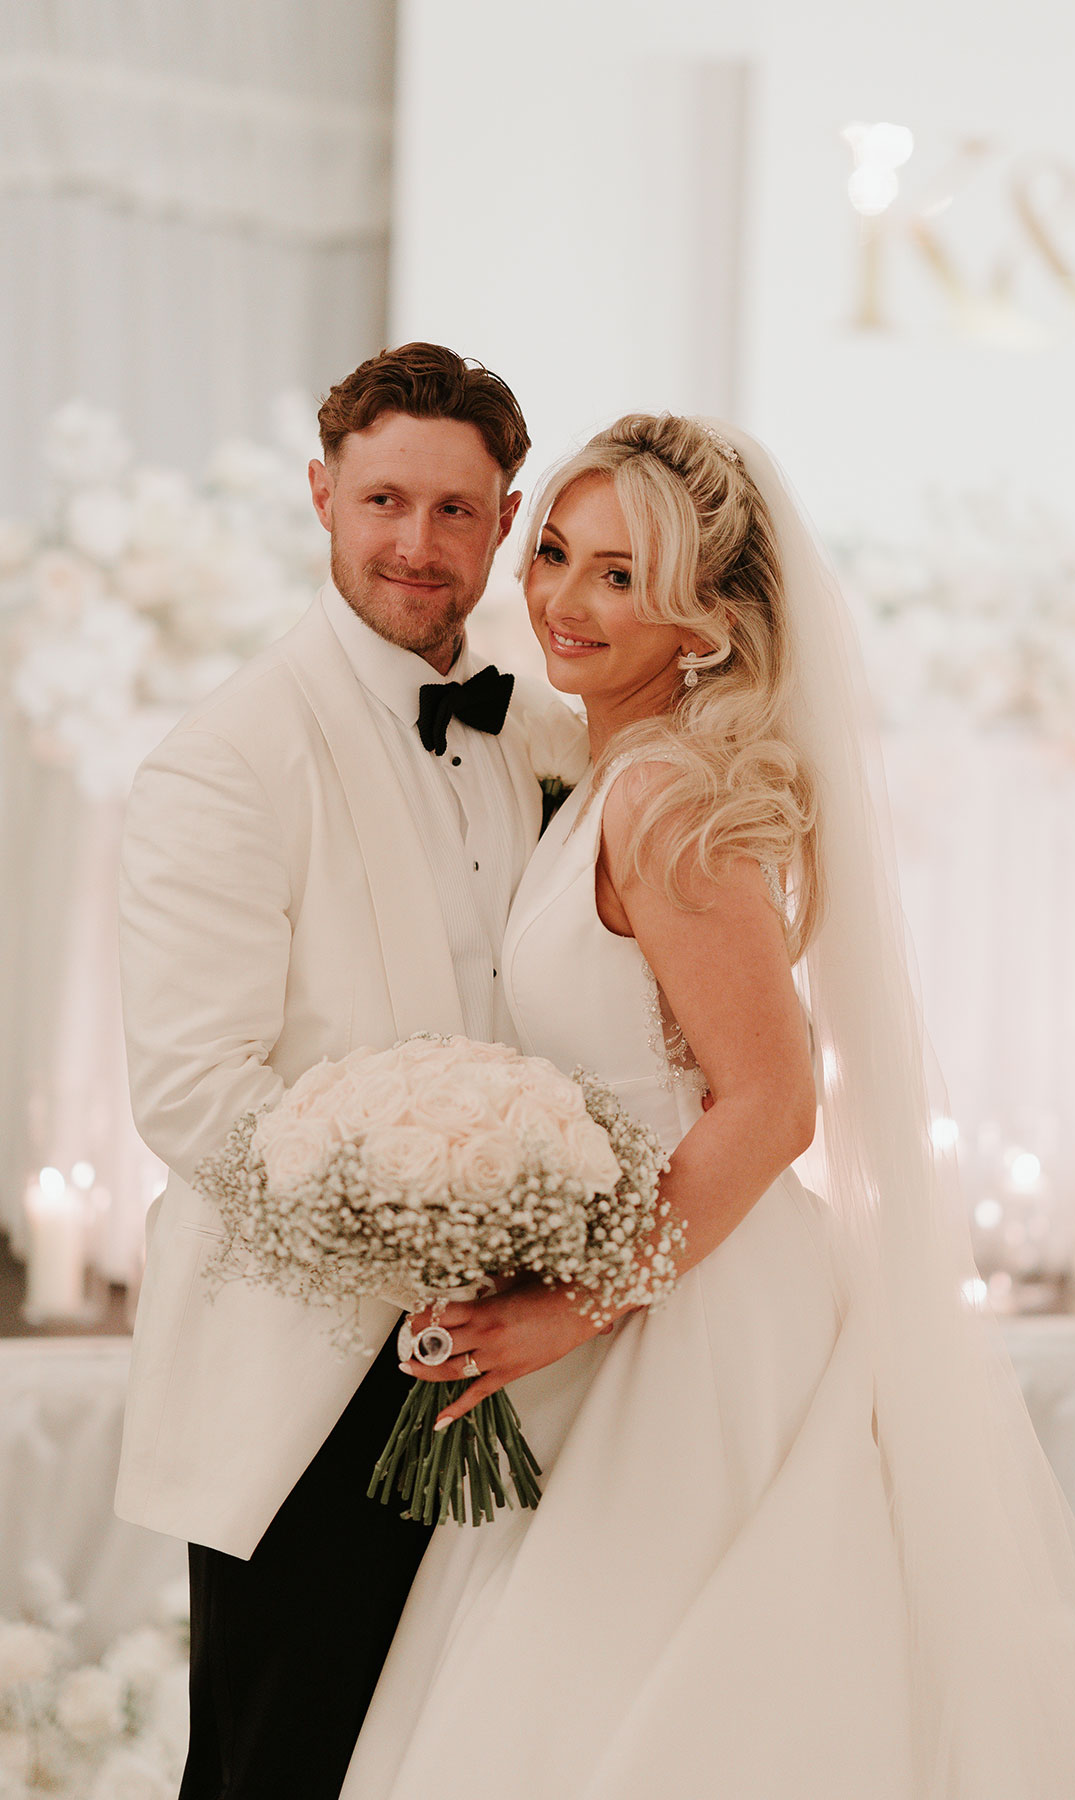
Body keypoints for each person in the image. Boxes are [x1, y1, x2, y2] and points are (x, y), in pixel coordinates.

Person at [341, 414, 1075, 1799]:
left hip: (696, 1318)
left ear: (708, 625)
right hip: (639, 1285)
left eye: (622, 575)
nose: (562, 597)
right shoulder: (604, 778)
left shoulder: (662, 797)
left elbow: (774, 1102)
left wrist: (575, 1304)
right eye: (554, 551)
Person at [114, 342, 587, 1800]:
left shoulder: (547, 733)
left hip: (523, 1364)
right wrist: (424, 1245)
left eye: (456, 510)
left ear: (505, 522)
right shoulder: (228, 758)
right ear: (323, 495)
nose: (416, 544)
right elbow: (196, 1092)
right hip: (307, 1379)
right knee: (281, 1765)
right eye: (385, 500)